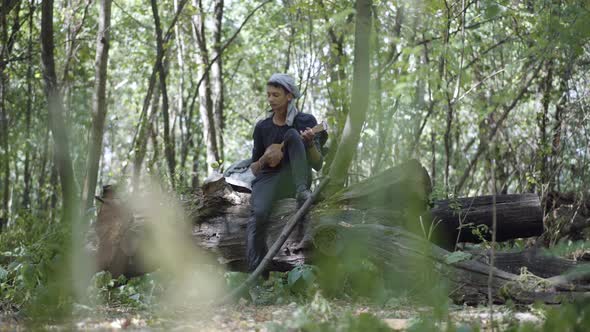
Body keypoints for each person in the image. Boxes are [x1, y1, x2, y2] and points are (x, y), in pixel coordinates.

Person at [247, 73, 326, 274]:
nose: (271, 99)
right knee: (258, 216)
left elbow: (318, 164)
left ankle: (302, 192)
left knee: (292, 134)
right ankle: (257, 277)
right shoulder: (262, 127)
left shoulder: (306, 121)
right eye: (269, 95)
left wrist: (308, 144)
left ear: (289, 96)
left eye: (276, 95)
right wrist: (265, 158)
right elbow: (255, 169)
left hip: (296, 180)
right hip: (269, 180)